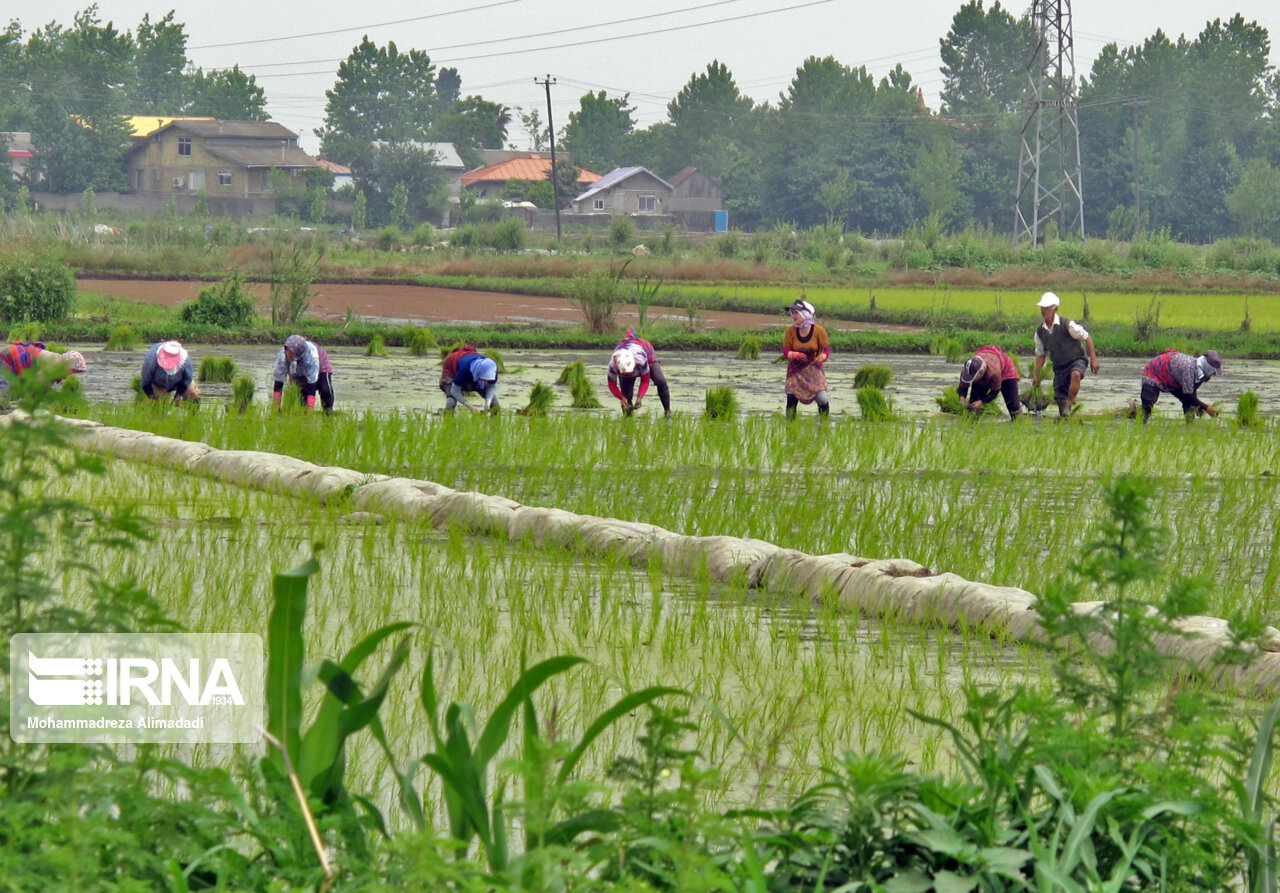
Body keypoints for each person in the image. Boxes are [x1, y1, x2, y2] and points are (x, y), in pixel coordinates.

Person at [1031, 292, 1099, 416]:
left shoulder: (1068, 325)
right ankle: (1065, 414)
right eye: (1042, 307)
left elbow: (1087, 338)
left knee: (1076, 374)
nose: (1043, 310)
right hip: (1059, 365)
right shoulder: (1040, 332)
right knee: (1060, 398)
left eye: (1046, 308)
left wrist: (1093, 360)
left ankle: (1071, 402)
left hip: (1076, 358)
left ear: (1055, 309)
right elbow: (1041, 355)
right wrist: (1036, 375)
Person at [1139, 348, 1222, 422]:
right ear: (1208, 368)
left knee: (1188, 403)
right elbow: (1189, 395)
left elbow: (1191, 392)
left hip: (1174, 377)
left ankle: (1190, 425)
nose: (1214, 374)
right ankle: (1140, 423)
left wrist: (1198, 407)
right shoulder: (1189, 369)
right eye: (1213, 371)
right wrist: (1206, 408)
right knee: (1147, 405)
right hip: (1154, 371)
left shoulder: (1200, 372)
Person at [781, 299, 830, 419]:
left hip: (813, 369)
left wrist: (823, 356)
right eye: (792, 313)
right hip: (795, 370)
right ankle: (790, 427)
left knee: (822, 398)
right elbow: (786, 350)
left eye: (796, 313)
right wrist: (794, 354)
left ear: (805, 313)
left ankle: (824, 424)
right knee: (791, 398)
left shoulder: (819, 331)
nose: (793, 316)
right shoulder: (791, 331)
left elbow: (826, 349)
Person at [607, 327, 671, 416]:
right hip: (624, 351)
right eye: (626, 374)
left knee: (660, 380)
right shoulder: (612, 366)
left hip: (646, 349)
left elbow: (645, 380)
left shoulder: (641, 360)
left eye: (631, 372)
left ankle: (667, 412)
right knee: (626, 396)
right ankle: (628, 421)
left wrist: (640, 397)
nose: (631, 375)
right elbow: (612, 384)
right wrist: (621, 397)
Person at [273, 334, 334, 413]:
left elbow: (312, 384)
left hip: (320, 367)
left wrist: (310, 411)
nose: (288, 354)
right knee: (301, 399)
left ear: (297, 352)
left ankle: (328, 413)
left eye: (291, 352)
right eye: (286, 350)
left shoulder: (311, 355)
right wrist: (276, 408)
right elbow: (278, 383)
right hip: (297, 371)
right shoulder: (282, 356)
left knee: (325, 390)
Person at [958, 345, 1021, 419]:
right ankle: (973, 425)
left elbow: (994, 392)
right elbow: (962, 387)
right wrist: (962, 397)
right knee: (973, 405)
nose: (971, 380)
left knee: (1013, 406)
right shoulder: (966, 370)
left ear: (981, 372)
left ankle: (1019, 421)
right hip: (987, 360)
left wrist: (982, 401)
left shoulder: (994, 372)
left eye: (973, 377)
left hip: (1005, 369)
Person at [0, 340, 86, 391]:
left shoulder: (57, 363)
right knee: (5, 386)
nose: (73, 373)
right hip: (10, 357)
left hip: (16, 358)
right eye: (74, 370)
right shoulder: (53, 367)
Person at [443, 347, 499, 412]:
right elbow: (454, 391)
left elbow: (491, 386)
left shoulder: (493, 368)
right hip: (451, 365)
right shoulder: (464, 371)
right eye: (484, 378)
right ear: (478, 374)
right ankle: (448, 418)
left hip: (471, 360)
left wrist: (487, 404)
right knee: (451, 402)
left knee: (495, 404)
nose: (486, 381)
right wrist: (470, 407)